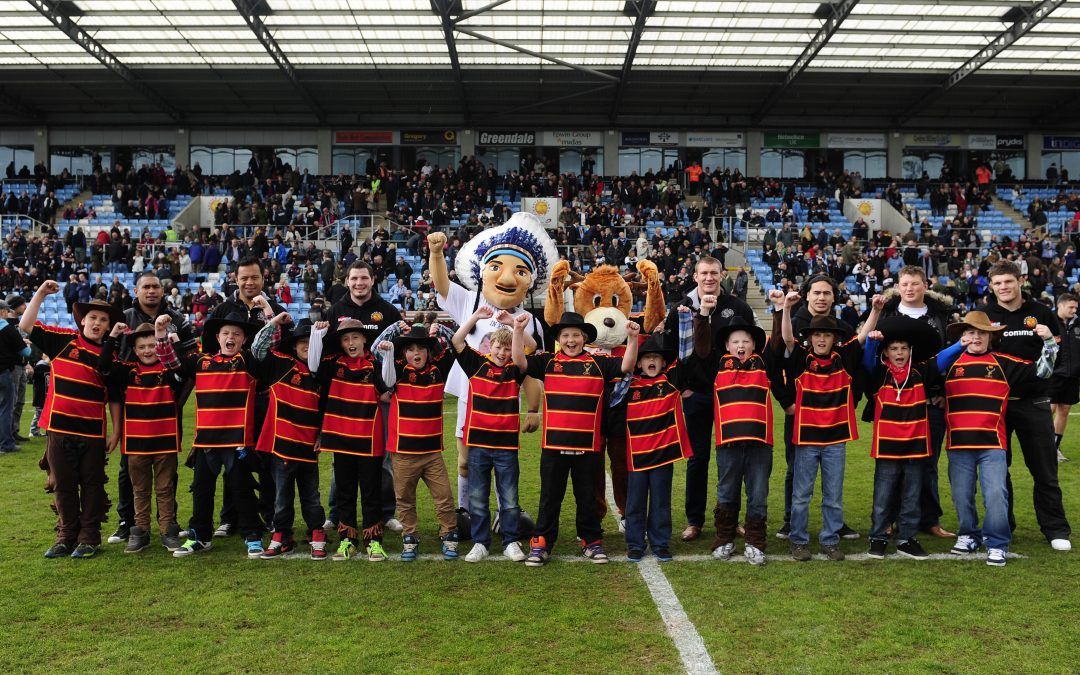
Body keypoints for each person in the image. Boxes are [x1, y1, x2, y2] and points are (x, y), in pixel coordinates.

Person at [512, 312, 638, 567]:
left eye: (576, 335)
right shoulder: (547, 361)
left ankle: (590, 540)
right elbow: (520, 362)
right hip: (553, 446)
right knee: (550, 496)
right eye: (566, 335)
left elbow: (626, 366)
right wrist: (516, 330)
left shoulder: (599, 362)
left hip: (587, 447)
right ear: (559, 339)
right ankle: (542, 542)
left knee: (587, 497)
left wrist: (633, 339)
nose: (571, 340)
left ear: (584, 338)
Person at [942, 311, 1058, 566]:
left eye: (981, 332)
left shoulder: (1003, 363)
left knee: (995, 494)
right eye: (970, 332)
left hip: (992, 444)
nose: (976, 337)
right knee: (961, 495)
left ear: (990, 337)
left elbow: (1043, 371)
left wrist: (1049, 342)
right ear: (962, 337)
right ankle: (968, 535)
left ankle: (997, 543)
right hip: (958, 444)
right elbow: (925, 376)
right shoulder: (949, 363)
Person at [780, 291, 883, 561]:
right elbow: (787, 338)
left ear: (834, 338)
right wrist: (786, 309)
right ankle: (799, 540)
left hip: (836, 439)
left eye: (827, 335)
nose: (822, 339)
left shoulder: (843, 357)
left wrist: (876, 311)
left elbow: (862, 337)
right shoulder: (801, 356)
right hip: (806, 438)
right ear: (810, 338)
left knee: (833, 496)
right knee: (801, 494)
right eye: (817, 335)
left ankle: (829, 539)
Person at [22, 284, 120, 559]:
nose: (97, 323)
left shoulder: (112, 356)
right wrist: (40, 294)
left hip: (93, 433)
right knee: (63, 485)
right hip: (59, 430)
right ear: (82, 321)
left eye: (103, 319)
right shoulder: (63, 340)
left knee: (92, 485)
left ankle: (89, 537)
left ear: (109, 325)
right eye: (93, 318)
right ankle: (66, 536)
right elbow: (26, 326)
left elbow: (114, 398)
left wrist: (116, 431)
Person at [156, 311, 265, 558]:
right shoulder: (200, 361)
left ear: (244, 340)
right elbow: (171, 362)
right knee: (202, 489)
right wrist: (160, 334)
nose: (231, 337)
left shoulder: (248, 360)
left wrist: (269, 316)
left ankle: (252, 535)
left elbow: (265, 344)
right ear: (217, 337)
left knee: (241, 488)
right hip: (206, 440)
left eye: (236, 334)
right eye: (226, 333)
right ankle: (200, 537)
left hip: (238, 440)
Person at [663, 256, 756, 543]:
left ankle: (730, 517)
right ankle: (695, 520)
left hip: (732, 396)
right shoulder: (681, 308)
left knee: (733, 458)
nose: (709, 278)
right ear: (695, 276)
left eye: (714, 273)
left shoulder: (737, 307)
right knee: (697, 458)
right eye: (704, 273)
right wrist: (683, 388)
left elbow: (751, 349)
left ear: (721, 275)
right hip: (697, 395)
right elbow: (669, 353)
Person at [983, 261, 1072, 551]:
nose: (1003, 287)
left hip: (1034, 403)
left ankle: (1055, 528)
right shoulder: (985, 315)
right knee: (998, 471)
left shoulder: (1042, 312)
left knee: (1044, 470)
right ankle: (1002, 526)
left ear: (1020, 280)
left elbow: (1055, 355)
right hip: (996, 405)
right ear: (991, 285)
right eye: (998, 283)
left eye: (1008, 281)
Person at [107, 271, 198, 546]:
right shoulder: (123, 317)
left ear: (162, 290)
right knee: (131, 472)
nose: (151, 291)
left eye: (155, 286)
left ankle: (169, 523)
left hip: (167, 399)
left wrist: (178, 400)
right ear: (136, 291)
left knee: (166, 475)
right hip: (133, 401)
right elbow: (111, 363)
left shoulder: (177, 319)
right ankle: (130, 523)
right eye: (145, 286)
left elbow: (188, 361)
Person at [769, 274, 861, 541]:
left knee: (832, 480)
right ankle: (791, 522)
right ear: (807, 295)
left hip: (832, 416)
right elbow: (776, 366)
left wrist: (850, 402)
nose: (821, 297)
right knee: (795, 471)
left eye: (827, 293)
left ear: (834, 297)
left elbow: (854, 364)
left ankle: (834, 525)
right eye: (816, 292)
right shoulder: (794, 324)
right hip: (800, 414)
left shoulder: (842, 328)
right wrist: (787, 402)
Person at [875, 265, 956, 539]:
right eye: (905, 284)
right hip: (895, 401)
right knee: (892, 463)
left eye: (915, 284)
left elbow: (951, 359)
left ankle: (929, 519)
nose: (910, 289)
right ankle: (890, 518)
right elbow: (871, 356)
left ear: (926, 285)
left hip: (931, 398)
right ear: (898, 286)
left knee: (928, 462)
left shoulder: (942, 316)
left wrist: (944, 391)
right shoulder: (886, 313)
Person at [208, 258, 286, 537]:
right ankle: (230, 517)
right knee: (231, 457)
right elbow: (210, 349)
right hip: (232, 399)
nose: (249, 283)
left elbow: (283, 349)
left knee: (265, 458)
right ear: (235, 279)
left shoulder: (274, 309)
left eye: (255, 278)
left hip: (264, 396)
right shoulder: (223, 309)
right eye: (244, 278)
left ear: (263, 279)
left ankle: (269, 514)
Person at [689, 312, 775, 566]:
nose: (741, 346)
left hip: (760, 443)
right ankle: (724, 538)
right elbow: (702, 345)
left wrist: (781, 311)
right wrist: (703, 316)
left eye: (746, 341)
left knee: (758, 494)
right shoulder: (717, 364)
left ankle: (755, 543)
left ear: (754, 345)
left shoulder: (764, 363)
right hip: (728, 443)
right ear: (727, 346)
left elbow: (781, 343)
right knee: (727, 491)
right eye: (735, 341)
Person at [325, 260, 403, 531]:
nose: (359, 283)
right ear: (347, 281)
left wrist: (389, 388)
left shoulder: (387, 310)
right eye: (354, 278)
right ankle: (336, 514)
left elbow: (400, 352)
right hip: (347, 399)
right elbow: (328, 353)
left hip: (378, 396)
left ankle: (386, 512)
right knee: (341, 456)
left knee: (381, 458)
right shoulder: (337, 310)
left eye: (364, 278)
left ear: (372, 280)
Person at [862, 317, 946, 561]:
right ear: (886, 352)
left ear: (911, 351)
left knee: (911, 495)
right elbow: (867, 361)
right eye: (894, 348)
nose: (899, 353)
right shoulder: (879, 373)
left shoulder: (920, 372)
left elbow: (943, 359)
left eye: (904, 348)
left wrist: (962, 344)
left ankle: (906, 538)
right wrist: (871, 343)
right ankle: (878, 536)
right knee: (883, 494)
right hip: (887, 446)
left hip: (916, 445)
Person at [98, 322, 185, 553]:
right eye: (142, 347)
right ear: (135, 350)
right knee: (140, 490)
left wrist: (172, 340)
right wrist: (114, 336)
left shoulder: (169, 370)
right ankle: (141, 530)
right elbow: (104, 363)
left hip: (165, 442)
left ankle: (168, 529)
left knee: (165, 488)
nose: (148, 351)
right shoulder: (128, 371)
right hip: (136, 444)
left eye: (153, 345)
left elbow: (185, 365)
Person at [452, 307, 529, 563]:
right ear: (489, 346)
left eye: (506, 349)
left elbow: (526, 352)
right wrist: (475, 318)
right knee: (477, 498)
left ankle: (510, 541)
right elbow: (456, 340)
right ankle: (480, 543)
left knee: (509, 499)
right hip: (478, 445)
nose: (501, 352)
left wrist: (515, 328)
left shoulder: (515, 370)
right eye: (498, 347)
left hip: (506, 446)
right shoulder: (476, 364)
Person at [309, 318, 391, 562]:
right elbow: (313, 367)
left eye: (355, 337)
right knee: (344, 491)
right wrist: (316, 335)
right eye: (345, 339)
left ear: (365, 339)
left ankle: (373, 540)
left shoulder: (374, 363)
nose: (351, 342)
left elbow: (388, 384)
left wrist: (389, 356)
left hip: (369, 438)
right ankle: (347, 539)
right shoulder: (333, 363)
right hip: (341, 437)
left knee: (371, 491)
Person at [379, 321, 459, 561]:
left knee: (444, 496)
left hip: (432, 452)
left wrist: (440, 328)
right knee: (405, 500)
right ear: (404, 353)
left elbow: (456, 345)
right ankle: (410, 537)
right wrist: (391, 340)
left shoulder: (438, 370)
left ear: (429, 352)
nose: (417, 353)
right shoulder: (397, 372)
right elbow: (382, 368)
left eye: (421, 349)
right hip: (403, 452)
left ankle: (449, 535)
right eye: (411, 349)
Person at [248, 316, 328, 560]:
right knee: (282, 497)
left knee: (311, 496)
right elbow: (257, 349)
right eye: (303, 341)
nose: (307, 346)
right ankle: (282, 535)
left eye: (312, 341)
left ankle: (316, 532)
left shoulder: (322, 372)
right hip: (282, 446)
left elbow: (327, 409)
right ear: (294, 346)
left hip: (309, 447)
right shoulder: (281, 364)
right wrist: (274, 322)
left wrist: (322, 435)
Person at [621, 326, 693, 563]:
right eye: (647, 358)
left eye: (656, 358)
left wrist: (684, 320)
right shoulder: (628, 385)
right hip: (637, 455)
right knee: (635, 503)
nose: (651, 361)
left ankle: (661, 544)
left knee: (661, 502)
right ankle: (635, 544)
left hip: (663, 455)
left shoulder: (671, 381)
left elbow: (686, 352)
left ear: (663, 363)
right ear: (639, 364)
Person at [1049, 292, 1080, 463]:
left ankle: (1055, 447)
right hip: (1053, 375)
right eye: (1071, 307)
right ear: (1060, 305)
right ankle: (1044, 447)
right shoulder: (1049, 322)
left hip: (1072, 375)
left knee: (1065, 410)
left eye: (1076, 307)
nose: (1074, 310)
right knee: (1050, 409)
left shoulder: (1078, 324)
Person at [0, 300, 30, 455]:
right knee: (6, 409)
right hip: (4, 372)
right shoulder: (8, 329)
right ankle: (6, 444)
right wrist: (25, 345)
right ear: (3, 312)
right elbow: (26, 353)